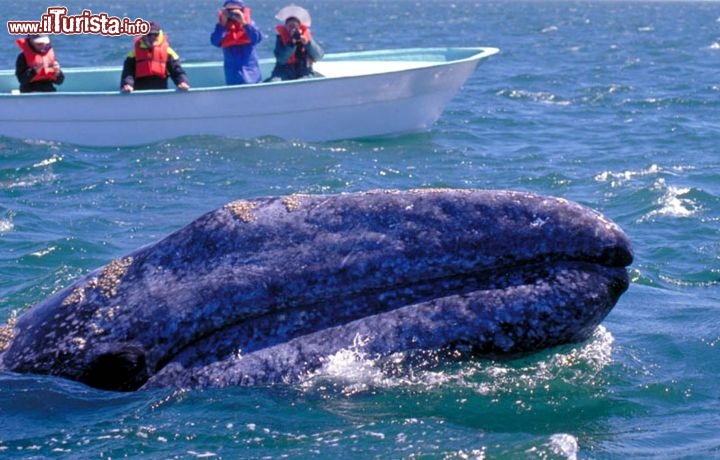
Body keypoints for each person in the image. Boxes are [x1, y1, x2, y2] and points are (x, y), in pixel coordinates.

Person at [121, 22, 190, 92]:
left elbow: (177, 71)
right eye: (149, 35)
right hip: (140, 93)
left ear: (159, 35)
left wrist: (182, 82)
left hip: (160, 93)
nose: (152, 37)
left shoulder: (169, 53)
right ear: (143, 36)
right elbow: (128, 73)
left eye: (155, 34)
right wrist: (127, 84)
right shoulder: (133, 54)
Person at [210, 0, 263, 85]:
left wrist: (244, 23)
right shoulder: (221, 27)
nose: (232, 15)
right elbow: (214, 41)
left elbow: (257, 38)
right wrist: (222, 25)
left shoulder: (249, 24)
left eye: (235, 11)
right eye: (229, 11)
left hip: (251, 72)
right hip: (233, 74)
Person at [267, 5, 324, 82]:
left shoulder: (306, 38)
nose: (293, 29)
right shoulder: (281, 39)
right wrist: (291, 44)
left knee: (309, 80)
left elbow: (319, 56)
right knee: (274, 81)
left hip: (304, 71)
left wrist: (308, 43)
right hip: (284, 72)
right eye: (290, 26)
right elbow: (281, 59)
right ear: (286, 27)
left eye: (295, 26)